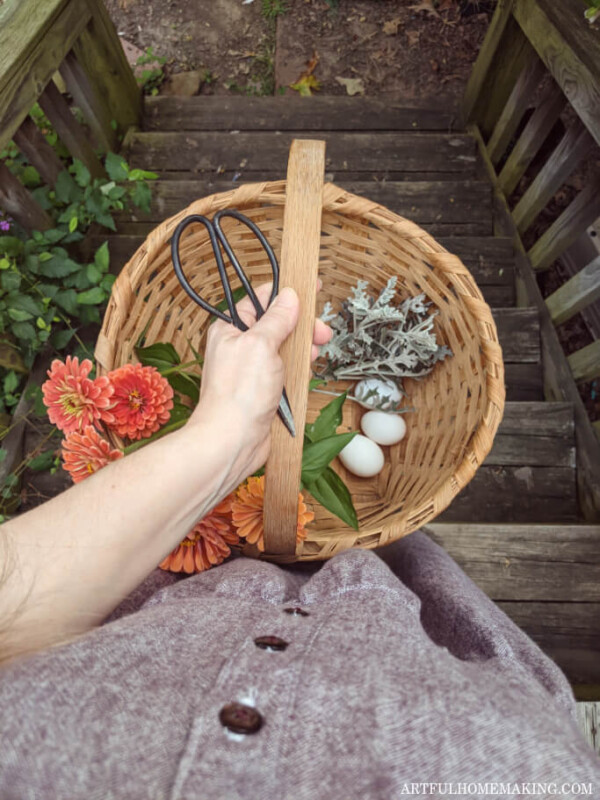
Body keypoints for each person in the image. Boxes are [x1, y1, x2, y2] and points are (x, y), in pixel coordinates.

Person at [0, 285, 598, 798]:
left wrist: (224, 433)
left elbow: (13, 601)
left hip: (198, 575)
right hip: (381, 585)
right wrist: (229, 437)